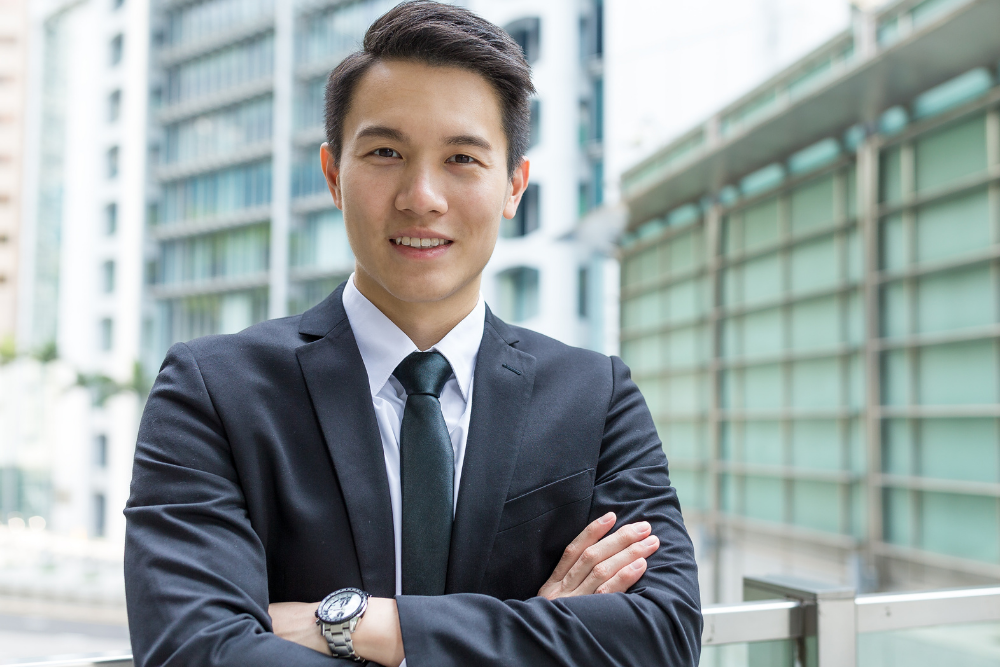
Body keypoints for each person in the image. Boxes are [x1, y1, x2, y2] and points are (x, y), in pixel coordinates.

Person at [124, 2, 701, 665]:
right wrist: (532, 630)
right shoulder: (212, 392)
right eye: (386, 151)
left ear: (514, 185)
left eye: (461, 157)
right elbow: (197, 652)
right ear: (334, 175)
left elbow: (662, 635)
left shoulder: (595, 396)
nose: (421, 195)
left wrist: (359, 624)